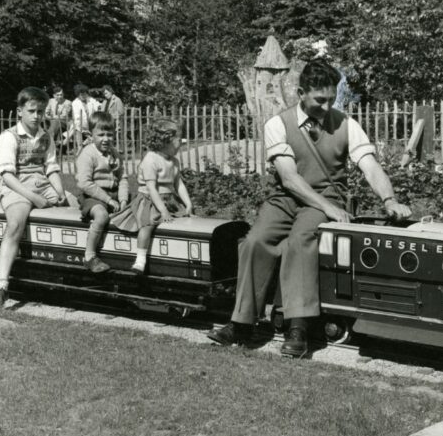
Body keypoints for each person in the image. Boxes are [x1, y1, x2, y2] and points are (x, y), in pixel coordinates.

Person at [207, 59, 412, 357]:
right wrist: (329, 208)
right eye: (320, 100)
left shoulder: (347, 124)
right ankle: (241, 324)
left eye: (331, 99)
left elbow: (370, 166)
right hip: (288, 198)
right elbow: (289, 179)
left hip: (326, 196)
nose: (327, 107)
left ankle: (298, 329)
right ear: (301, 92)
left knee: (300, 241)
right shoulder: (278, 124)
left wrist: (389, 199)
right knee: (255, 241)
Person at [0, 86, 67, 309]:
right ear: (19, 111)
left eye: (40, 111)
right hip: (16, 186)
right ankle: (2, 286)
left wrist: (61, 193)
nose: (36, 116)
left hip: (41, 183)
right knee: (15, 224)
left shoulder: (46, 137)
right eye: (31, 111)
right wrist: (33, 197)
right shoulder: (8, 137)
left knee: (75, 204)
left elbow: (51, 168)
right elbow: (7, 175)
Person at [111, 118, 193, 274]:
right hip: (149, 200)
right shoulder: (150, 160)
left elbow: (179, 184)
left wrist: (188, 204)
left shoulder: (174, 161)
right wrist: (163, 211)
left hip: (169, 200)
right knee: (147, 225)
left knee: (185, 221)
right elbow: (152, 189)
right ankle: (140, 259)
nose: (181, 143)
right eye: (178, 140)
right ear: (166, 141)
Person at [75, 111, 129, 273]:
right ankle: (89, 256)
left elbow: (123, 178)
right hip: (93, 196)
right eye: (101, 134)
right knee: (102, 216)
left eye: (110, 134)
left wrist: (123, 199)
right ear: (91, 135)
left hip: (113, 195)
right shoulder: (87, 154)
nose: (106, 139)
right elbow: (84, 183)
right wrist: (108, 200)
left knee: (135, 210)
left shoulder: (115, 153)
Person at [67, 83, 101, 148]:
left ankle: (87, 143)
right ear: (78, 95)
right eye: (81, 94)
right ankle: (80, 146)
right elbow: (77, 118)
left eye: (85, 94)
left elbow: (97, 105)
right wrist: (84, 130)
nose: (83, 96)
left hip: (92, 122)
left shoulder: (90, 100)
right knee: (77, 129)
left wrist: (99, 106)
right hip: (81, 124)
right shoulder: (75, 103)